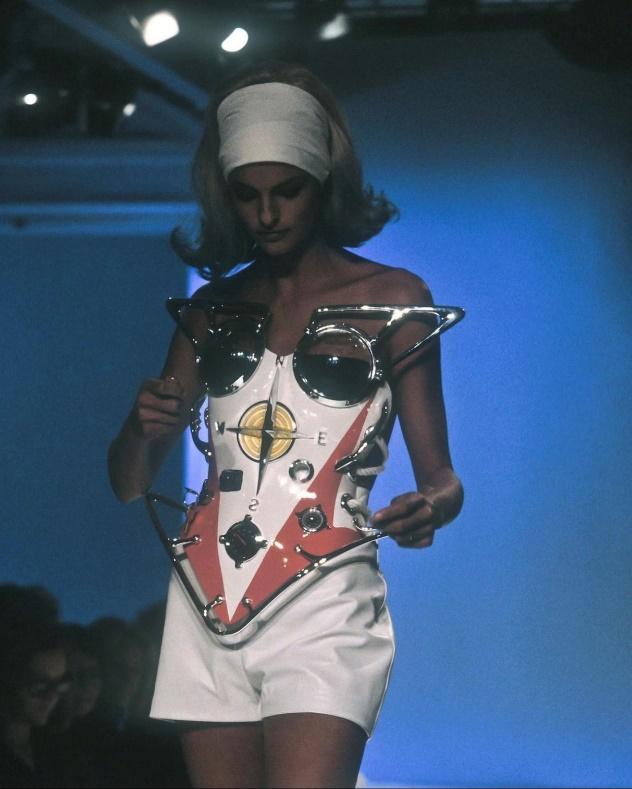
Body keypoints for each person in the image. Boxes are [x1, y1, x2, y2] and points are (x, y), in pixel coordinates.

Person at [108, 60, 464, 789]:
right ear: (226, 195)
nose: (267, 214)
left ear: (323, 182)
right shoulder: (210, 312)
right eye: (248, 195)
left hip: (325, 595)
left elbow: (444, 480)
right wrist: (142, 429)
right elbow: (127, 483)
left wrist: (428, 507)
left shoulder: (394, 301)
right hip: (205, 595)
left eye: (287, 191)